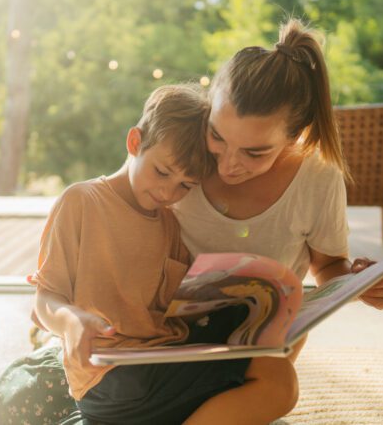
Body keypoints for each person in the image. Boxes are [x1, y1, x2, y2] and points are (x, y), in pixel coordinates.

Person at [0, 19, 383, 423]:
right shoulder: (178, 166)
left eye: (254, 152)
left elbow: (328, 265)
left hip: (243, 351)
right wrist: (68, 319)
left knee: (277, 385)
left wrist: (356, 283)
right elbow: (113, 213)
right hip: (154, 350)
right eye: (217, 136)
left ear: (294, 137)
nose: (228, 165)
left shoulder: (315, 178)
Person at [24, 84, 298, 425]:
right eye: (162, 172)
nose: (168, 191)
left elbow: (176, 309)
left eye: (185, 185)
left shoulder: (169, 222)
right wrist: (71, 322)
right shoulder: (81, 202)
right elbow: (46, 298)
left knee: (276, 371)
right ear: (135, 142)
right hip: (110, 376)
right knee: (278, 385)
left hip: (162, 357)